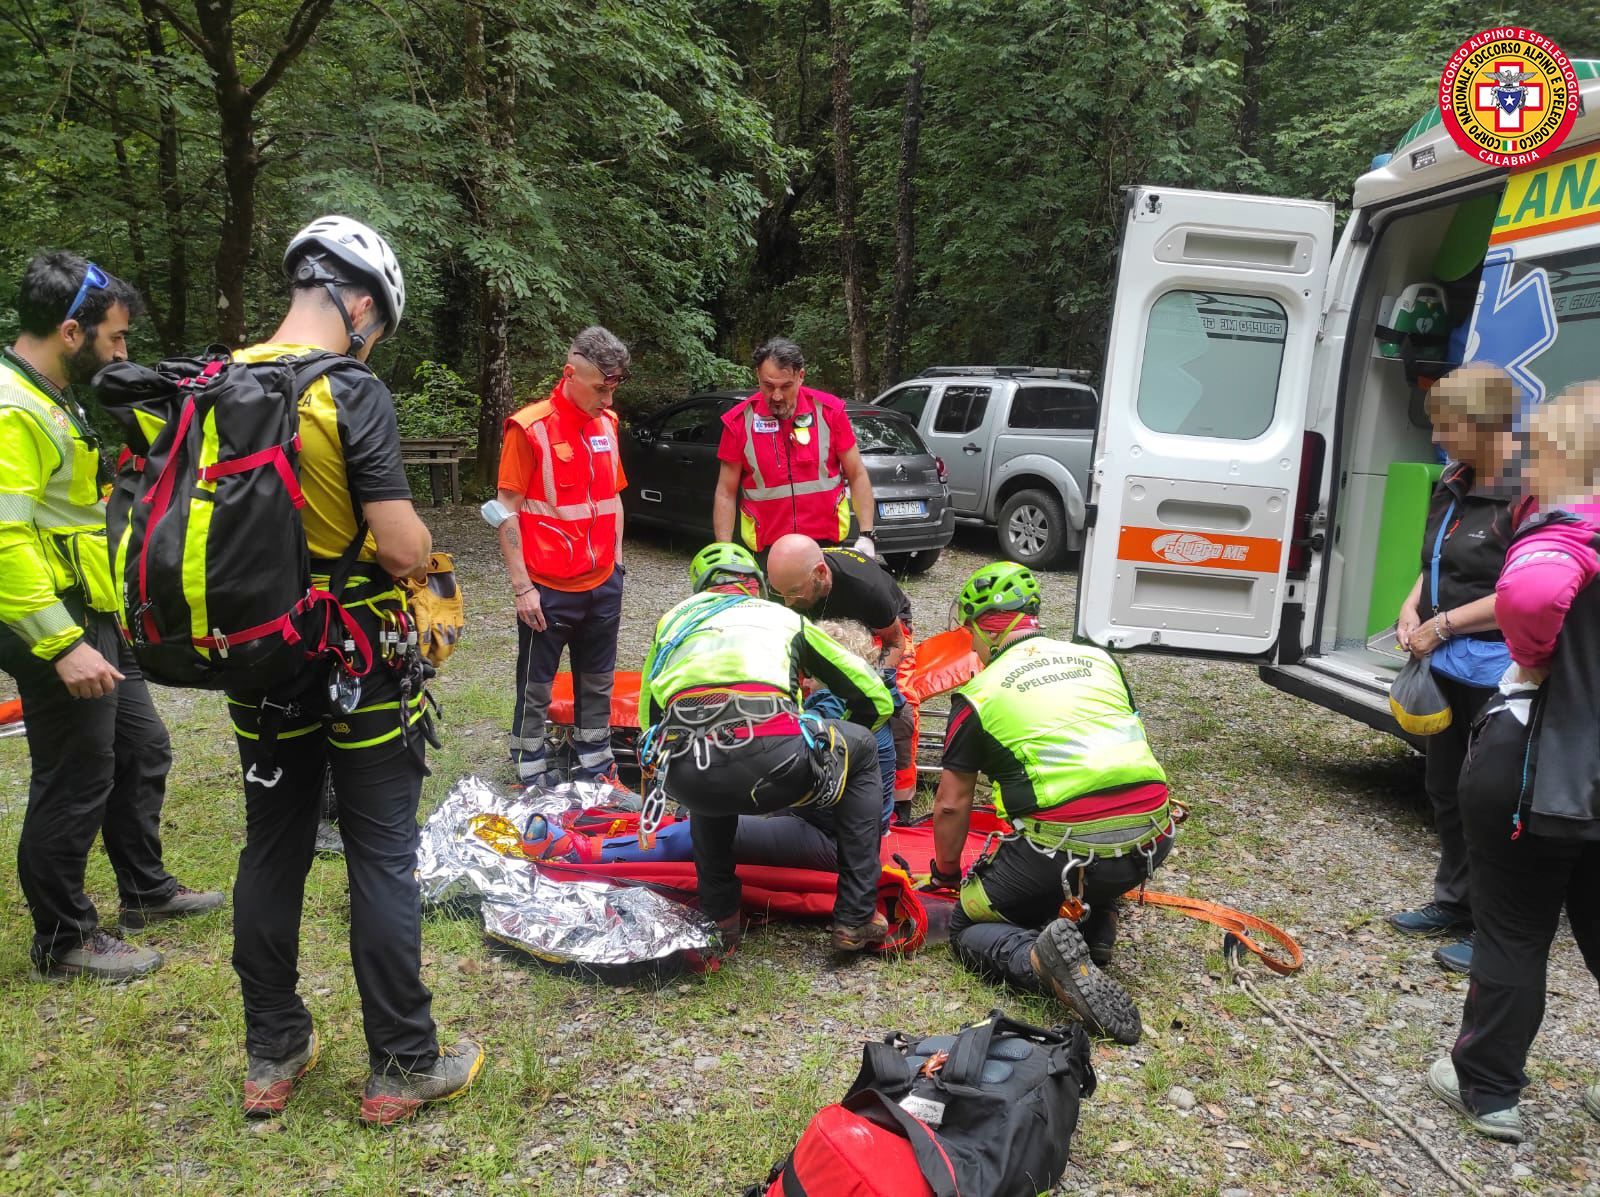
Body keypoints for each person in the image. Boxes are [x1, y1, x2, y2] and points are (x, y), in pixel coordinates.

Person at [227, 216, 480, 1125]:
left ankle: (273, 1049)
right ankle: (402, 1063)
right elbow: (402, 542)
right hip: (355, 656)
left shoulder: (225, 379)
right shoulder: (348, 390)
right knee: (380, 850)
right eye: (379, 321)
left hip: (258, 657)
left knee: (273, 845)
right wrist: (423, 565)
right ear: (360, 302)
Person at [0, 252, 223, 983]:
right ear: (72, 330)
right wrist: (61, 645)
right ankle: (64, 938)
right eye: (117, 338)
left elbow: (62, 510)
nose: (122, 353)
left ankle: (145, 892)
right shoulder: (13, 407)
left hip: (91, 606)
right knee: (76, 772)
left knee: (143, 746)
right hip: (52, 619)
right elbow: (4, 536)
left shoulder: (53, 395)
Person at [1428, 383, 1600, 1145]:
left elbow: (1527, 595)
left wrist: (1532, 661)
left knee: (1514, 930)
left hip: (1538, 761)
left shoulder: (1565, 528)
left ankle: (1488, 1086)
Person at [929, 563, 1173, 1046]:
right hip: (1152, 839)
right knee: (1096, 814)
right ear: (1033, 616)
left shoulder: (978, 694)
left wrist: (946, 875)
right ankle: (1097, 926)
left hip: (1063, 853)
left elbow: (952, 804)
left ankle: (1038, 959)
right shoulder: (1098, 659)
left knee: (965, 926)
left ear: (980, 628)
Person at [639, 542, 893, 952]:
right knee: (860, 747)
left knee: (701, 747)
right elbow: (875, 695)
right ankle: (856, 915)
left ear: (699, 591)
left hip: (687, 776)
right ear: (756, 587)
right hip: (774, 760)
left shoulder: (672, 622)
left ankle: (720, 916)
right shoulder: (783, 617)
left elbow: (648, 721)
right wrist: (836, 760)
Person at [1387, 364, 1518, 975]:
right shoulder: (1453, 480)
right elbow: (1435, 556)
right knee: (1446, 788)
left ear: (1483, 424)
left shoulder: (1526, 492)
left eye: (1446, 423)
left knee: (1492, 798)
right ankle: (1454, 902)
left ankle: (1498, 930)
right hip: (1448, 661)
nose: (1437, 436)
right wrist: (1414, 603)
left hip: (1500, 663)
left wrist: (1444, 624)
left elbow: (1522, 591)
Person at [497, 327, 630, 790]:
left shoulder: (607, 425)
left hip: (602, 583)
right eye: (600, 388)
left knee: (597, 680)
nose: (608, 399)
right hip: (547, 589)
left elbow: (614, 498)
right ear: (571, 374)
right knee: (536, 685)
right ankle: (529, 770)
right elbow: (504, 511)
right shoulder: (528, 428)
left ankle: (595, 765)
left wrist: (617, 565)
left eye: (614, 388)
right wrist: (522, 587)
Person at [768, 533, 919, 821]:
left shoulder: (867, 589)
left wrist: (875, 681)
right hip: (825, 629)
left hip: (879, 632)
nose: (786, 602)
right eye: (780, 593)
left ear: (820, 574)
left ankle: (901, 796)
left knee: (900, 703)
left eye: (794, 593)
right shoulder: (791, 581)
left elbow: (895, 643)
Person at [712, 337, 876, 557]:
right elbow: (725, 492)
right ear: (758, 377)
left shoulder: (829, 413)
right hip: (767, 548)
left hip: (825, 545)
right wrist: (724, 549)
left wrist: (866, 534)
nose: (776, 396)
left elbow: (857, 474)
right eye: (768, 386)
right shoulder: (739, 422)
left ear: (801, 377)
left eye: (785, 386)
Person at [809, 619, 898, 829]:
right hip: (870, 825)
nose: (805, 682)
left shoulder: (836, 703)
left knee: (733, 830)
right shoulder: (869, 698)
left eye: (812, 675)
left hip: (841, 836)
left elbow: (795, 746)